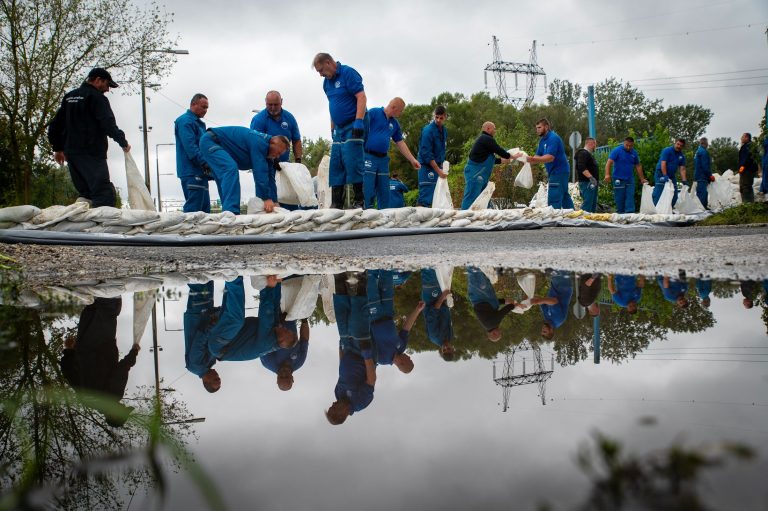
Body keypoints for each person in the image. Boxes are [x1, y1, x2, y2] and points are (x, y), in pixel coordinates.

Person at [47, 67, 130, 208]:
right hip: (91, 153)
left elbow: (55, 125)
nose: (108, 89)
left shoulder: (69, 97)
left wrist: (58, 148)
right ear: (98, 80)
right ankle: (104, 228)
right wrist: (122, 142)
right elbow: (107, 123)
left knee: (86, 194)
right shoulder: (97, 98)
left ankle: (84, 226)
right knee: (103, 194)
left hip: (71, 154)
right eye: (107, 84)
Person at [59, 297, 139, 427]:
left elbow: (120, 371)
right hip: (83, 346)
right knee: (91, 307)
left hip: (102, 344)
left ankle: (108, 280)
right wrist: (69, 351)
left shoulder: (113, 397)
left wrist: (134, 352)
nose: (123, 405)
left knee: (108, 307)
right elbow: (68, 372)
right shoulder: (87, 401)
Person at [313, 53, 367, 209]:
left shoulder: (348, 73)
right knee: (336, 162)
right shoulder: (326, 83)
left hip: (353, 124)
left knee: (352, 160)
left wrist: (358, 121)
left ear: (329, 63)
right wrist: (332, 126)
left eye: (321, 70)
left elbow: (361, 97)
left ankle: (359, 201)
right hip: (338, 128)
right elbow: (333, 106)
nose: (320, 74)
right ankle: (337, 202)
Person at [198, 127, 289, 214]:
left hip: (220, 146)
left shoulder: (268, 156)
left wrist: (275, 201)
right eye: (278, 153)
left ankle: (227, 212)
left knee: (226, 176)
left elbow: (270, 178)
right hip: (211, 141)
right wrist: (266, 198)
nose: (277, 156)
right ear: (272, 142)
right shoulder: (259, 142)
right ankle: (232, 212)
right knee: (230, 169)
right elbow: (260, 173)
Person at [326, 271, 375, 424]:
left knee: (342, 311)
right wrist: (367, 356)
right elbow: (371, 379)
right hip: (362, 352)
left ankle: (339, 275)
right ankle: (362, 277)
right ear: (343, 414)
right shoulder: (360, 402)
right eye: (334, 407)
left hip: (346, 347)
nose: (333, 403)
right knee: (358, 313)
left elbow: (342, 373)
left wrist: (340, 350)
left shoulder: (337, 394)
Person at [363, 97, 420, 209]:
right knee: (368, 188)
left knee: (384, 189)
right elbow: (361, 126)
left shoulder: (395, 123)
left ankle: (384, 215)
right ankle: (366, 212)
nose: (401, 113)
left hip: (383, 159)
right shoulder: (374, 112)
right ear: (394, 108)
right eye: (401, 111)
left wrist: (412, 159)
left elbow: (400, 142)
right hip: (368, 156)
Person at [367, 269, 423, 372]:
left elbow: (366, 345)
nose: (409, 357)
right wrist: (417, 310)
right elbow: (406, 328)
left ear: (402, 363)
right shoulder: (401, 347)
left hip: (373, 316)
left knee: (369, 280)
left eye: (409, 360)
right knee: (387, 274)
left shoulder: (382, 359)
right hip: (388, 312)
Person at [513, 118, 574, 209]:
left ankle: (554, 220)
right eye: (536, 128)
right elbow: (537, 156)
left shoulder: (553, 138)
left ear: (546, 127)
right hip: (557, 172)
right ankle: (572, 216)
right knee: (564, 196)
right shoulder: (542, 141)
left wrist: (532, 160)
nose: (537, 130)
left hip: (558, 171)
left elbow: (550, 158)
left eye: (539, 127)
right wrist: (527, 160)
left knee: (554, 197)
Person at [460, 122, 512, 210]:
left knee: (484, 198)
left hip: (481, 176)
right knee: (471, 197)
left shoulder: (485, 141)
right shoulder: (486, 138)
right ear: (488, 129)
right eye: (494, 129)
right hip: (475, 174)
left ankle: (483, 219)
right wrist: (511, 155)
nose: (495, 131)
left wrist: (502, 161)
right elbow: (500, 151)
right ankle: (464, 216)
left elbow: (489, 159)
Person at [175, 93, 212, 213]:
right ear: (193, 104)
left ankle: (203, 232)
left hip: (200, 172)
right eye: (203, 107)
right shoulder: (186, 122)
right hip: (191, 171)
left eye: (207, 107)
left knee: (204, 211)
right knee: (194, 210)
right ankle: (189, 231)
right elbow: (191, 148)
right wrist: (206, 163)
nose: (205, 110)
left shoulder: (198, 123)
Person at [183, 281, 220, 392]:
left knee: (198, 284)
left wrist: (213, 325)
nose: (217, 375)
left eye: (215, 379)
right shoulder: (209, 363)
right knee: (207, 281)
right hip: (205, 315)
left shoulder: (196, 366)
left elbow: (200, 339)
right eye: (219, 378)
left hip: (198, 317)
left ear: (206, 381)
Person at [466, 266, 518, 342]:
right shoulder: (488, 325)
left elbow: (503, 312)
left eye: (499, 333)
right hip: (483, 297)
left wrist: (514, 305)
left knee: (474, 274)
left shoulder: (492, 324)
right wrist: (504, 301)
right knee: (479, 275)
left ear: (494, 334)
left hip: (480, 296)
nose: (500, 331)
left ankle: (469, 259)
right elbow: (491, 307)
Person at [260, 319, 309, 391]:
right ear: (292, 378)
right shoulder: (300, 362)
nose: (284, 374)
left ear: (277, 379)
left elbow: (262, 337)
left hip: (274, 316)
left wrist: (278, 321)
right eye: (286, 377)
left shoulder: (268, 363)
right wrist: (304, 321)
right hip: (292, 317)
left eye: (281, 377)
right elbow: (304, 339)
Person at [605, 137, 647, 213]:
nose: (628, 147)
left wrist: (642, 179)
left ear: (633, 145)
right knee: (620, 197)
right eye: (626, 145)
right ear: (624, 143)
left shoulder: (634, 153)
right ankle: (620, 214)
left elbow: (638, 166)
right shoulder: (617, 150)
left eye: (630, 146)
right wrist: (607, 174)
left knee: (630, 197)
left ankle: (630, 214)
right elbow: (609, 162)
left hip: (630, 178)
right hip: (618, 178)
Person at [416, 105, 448, 207]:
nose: (438, 120)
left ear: (445, 117)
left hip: (438, 165)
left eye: (441, 118)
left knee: (437, 196)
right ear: (434, 116)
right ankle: (419, 220)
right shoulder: (428, 130)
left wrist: (442, 167)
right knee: (426, 196)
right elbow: (426, 154)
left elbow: (441, 150)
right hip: (426, 166)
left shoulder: (444, 130)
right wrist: (439, 171)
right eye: (436, 117)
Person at [420, 268, 454, 360]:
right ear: (453, 348)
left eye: (444, 350)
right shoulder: (451, 336)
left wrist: (442, 297)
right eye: (449, 349)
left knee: (428, 270)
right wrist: (447, 301)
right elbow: (447, 317)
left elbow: (432, 314)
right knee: (440, 272)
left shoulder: (434, 337)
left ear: (441, 350)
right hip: (442, 300)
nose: (446, 347)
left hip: (430, 300)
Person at [531, 271, 573, 340]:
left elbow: (541, 301)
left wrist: (529, 299)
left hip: (555, 286)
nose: (543, 329)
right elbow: (554, 301)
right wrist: (538, 301)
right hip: (563, 287)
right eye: (545, 331)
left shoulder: (546, 318)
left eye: (542, 331)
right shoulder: (558, 320)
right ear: (551, 331)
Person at [652, 138, 687, 207]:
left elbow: (682, 169)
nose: (679, 146)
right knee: (658, 193)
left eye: (681, 145)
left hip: (671, 176)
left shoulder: (681, 156)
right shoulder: (667, 150)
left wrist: (684, 180)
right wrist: (665, 175)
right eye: (678, 144)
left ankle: (669, 209)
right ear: (675, 143)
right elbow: (663, 163)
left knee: (674, 194)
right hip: (661, 173)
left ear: (682, 147)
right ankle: (655, 209)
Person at [575, 137, 599, 213]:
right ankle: (583, 220)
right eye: (595, 144)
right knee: (588, 203)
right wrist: (591, 177)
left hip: (591, 182)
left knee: (592, 204)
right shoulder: (583, 153)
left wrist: (596, 179)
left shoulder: (588, 154)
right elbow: (581, 167)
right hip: (587, 182)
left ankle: (590, 221)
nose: (595, 146)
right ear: (590, 143)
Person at [693, 137, 714, 209]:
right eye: (707, 143)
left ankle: (702, 207)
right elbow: (705, 165)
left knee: (701, 192)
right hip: (702, 176)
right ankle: (702, 208)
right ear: (705, 143)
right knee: (703, 193)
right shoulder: (703, 152)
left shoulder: (698, 151)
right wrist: (710, 175)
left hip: (698, 175)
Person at [738, 133, 758, 203]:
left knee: (746, 187)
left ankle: (748, 204)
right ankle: (746, 203)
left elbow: (747, 158)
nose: (741, 138)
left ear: (747, 137)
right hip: (746, 169)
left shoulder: (749, 146)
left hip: (747, 170)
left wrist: (742, 167)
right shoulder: (746, 146)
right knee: (743, 187)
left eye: (742, 137)